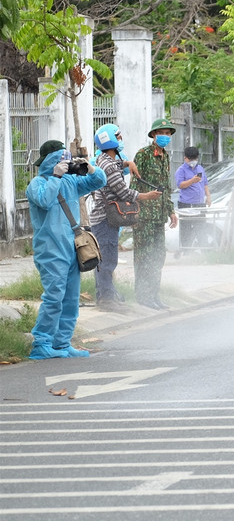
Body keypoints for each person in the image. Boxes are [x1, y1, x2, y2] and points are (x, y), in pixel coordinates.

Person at [25, 140, 107, 359]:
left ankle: (62, 343)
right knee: (54, 296)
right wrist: (56, 177)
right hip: (50, 250)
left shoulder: (71, 182)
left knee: (71, 298)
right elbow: (44, 200)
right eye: (62, 160)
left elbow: (98, 182)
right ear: (52, 162)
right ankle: (41, 343)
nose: (67, 164)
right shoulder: (38, 183)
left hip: (72, 249)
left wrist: (90, 168)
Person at [90, 124, 161, 313]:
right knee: (107, 260)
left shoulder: (107, 160)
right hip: (104, 220)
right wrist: (147, 196)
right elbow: (123, 192)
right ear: (111, 141)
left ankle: (107, 295)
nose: (121, 139)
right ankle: (106, 299)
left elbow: (115, 167)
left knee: (106, 258)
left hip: (105, 219)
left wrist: (127, 163)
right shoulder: (108, 165)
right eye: (118, 136)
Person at [133, 118, 178, 309]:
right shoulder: (143, 155)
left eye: (168, 134)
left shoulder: (166, 156)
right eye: (162, 133)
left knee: (158, 256)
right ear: (153, 135)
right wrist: (136, 209)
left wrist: (171, 211)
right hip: (144, 216)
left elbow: (166, 187)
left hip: (159, 216)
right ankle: (143, 296)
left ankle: (154, 295)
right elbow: (134, 185)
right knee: (144, 257)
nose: (165, 137)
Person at [174, 145, 211, 253]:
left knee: (201, 228)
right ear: (185, 158)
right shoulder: (181, 170)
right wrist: (192, 181)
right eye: (190, 159)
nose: (193, 161)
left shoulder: (200, 168)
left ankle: (205, 253)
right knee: (186, 230)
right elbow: (180, 185)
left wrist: (208, 196)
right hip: (186, 204)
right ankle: (186, 252)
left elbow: (205, 183)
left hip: (199, 204)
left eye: (195, 159)